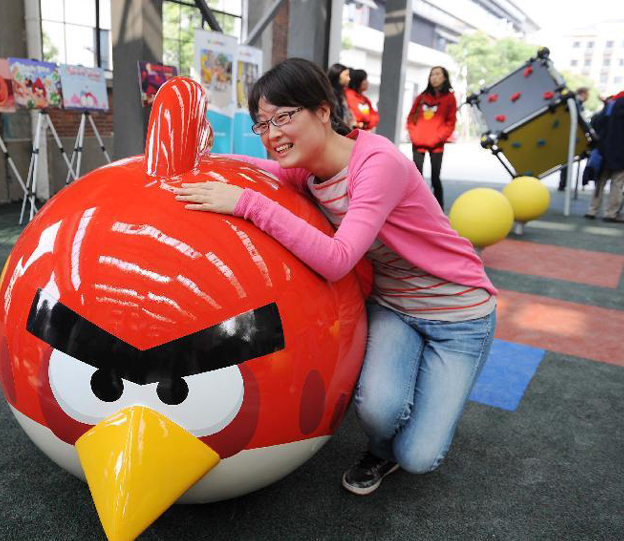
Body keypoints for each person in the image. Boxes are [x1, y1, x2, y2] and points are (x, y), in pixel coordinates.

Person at [174, 58, 496, 495]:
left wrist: (245, 203)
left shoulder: (377, 163)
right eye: (262, 124)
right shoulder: (309, 172)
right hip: (395, 308)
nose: (272, 134)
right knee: (378, 411)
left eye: (283, 117)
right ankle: (381, 449)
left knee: (419, 458)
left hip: (459, 314)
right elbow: (256, 169)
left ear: (323, 111)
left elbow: (338, 258)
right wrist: (198, 160)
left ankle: (412, 424)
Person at [586, 72, 624, 223]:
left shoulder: (615, 104)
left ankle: (592, 210)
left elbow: (599, 122)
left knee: (600, 181)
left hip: (606, 148)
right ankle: (611, 213)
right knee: (617, 183)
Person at [405, 66, 457, 208]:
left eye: (437, 74)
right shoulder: (421, 97)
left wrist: (439, 137)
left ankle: (439, 211)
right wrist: (414, 135)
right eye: (432, 74)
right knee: (417, 179)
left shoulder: (450, 98)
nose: (434, 77)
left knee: (435, 179)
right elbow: (410, 118)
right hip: (418, 143)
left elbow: (451, 122)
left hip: (437, 145)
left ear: (444, 78)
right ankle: (416, 208)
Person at [557, 87, 590, 191]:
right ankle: (563, 184)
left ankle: (563, 183)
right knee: (566, 161)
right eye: (586, 94)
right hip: (568, 135)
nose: (587, 97)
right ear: (582, 93)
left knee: (566, 162)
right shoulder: (575, 102)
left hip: (569, 135)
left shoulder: (577, 103)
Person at [326, 63, 356, 130]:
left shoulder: (341, 94)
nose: (349, 79)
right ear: (337, 75)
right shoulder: (328, 94)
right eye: (346, 75)